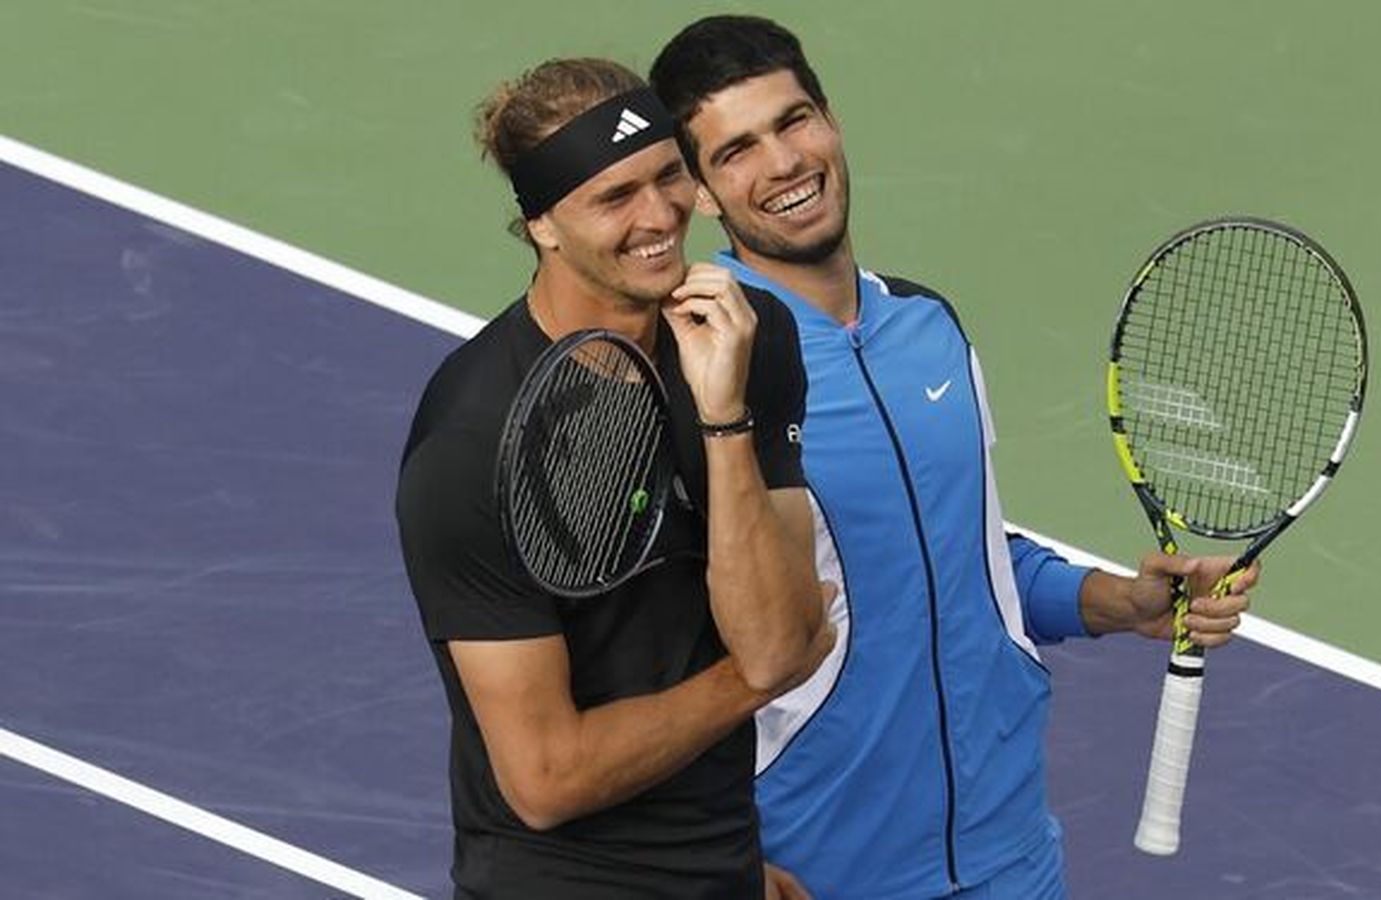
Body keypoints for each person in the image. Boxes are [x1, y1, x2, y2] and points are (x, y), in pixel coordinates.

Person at [651, 18, 1257, 899]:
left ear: (831, 119)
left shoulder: (929, 328)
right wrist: (721, 863)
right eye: (737, 150)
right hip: (817, 870)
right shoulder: (705, 366)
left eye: (794, 122)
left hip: (1009, 853)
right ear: (701, 191)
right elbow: (647, 649)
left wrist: (1118, 603)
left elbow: (966, 558)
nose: (782, 164)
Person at [395, 57, 832, 899]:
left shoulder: (748, 335)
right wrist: (748, 680)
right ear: (544, 228)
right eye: (614, 196)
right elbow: (546, 779)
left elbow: (779, 636)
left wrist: (724, 415)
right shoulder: (468, 441)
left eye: (669, 175)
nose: (660, 213)